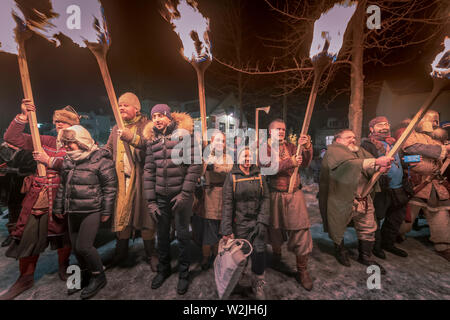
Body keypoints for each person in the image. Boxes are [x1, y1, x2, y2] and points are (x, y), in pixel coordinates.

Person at [0, 100, 79, 300]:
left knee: (64, 236)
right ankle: (25, 278)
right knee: (27, 237)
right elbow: (11, 137)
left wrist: (50, 161)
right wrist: (23, 116)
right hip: (39, 197)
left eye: (65, 122)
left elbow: (79, 166)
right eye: (57, 121)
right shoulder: (44, 140)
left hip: (63, 197)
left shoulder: (82, 143)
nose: (60, 124)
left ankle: (64, 266)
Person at [143, 104, 202, 295]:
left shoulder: (185, 136)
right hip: (161, 196)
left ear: (169, 117)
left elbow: (195, 166)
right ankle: (163, 269)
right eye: (154, 116)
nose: (157, 119)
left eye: (161, 115)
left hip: (181, 195)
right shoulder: (152, 141)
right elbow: (149, 171)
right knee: (162, 235)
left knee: (183, 235)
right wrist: (151, 201)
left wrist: (185, 194)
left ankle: (184, 274)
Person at [53, 125, 117, 299]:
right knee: (75, 248)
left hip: (92, 209)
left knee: (84, 246)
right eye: (64, 143)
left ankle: (99, 276)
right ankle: (84, 276)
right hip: (73, 209)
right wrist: (58, 207)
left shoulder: (101, 160)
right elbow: (62, 186)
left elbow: (110, 188)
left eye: (70, 143)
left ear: (81, 141)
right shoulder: (68, 160)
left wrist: (106, 211)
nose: (66, 147)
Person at [319, 129, 393, 274]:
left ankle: (366, 256)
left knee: (368, 227)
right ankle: (340, 251)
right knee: (338, 226)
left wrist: (380, 168)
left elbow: (369, 166)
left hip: (363, 198)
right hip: (341, 199)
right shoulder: (333, 152)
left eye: (354, 137)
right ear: (338, 140)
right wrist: (375, 161)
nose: (353, 140)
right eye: (348, 137)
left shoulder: (359, 151)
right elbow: (346, 166)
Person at [105, 92, 157, 271]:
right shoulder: (115, 128)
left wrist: (132, 138)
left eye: (126, 105)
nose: (121, 108)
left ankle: (151, 254)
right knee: (123, 218)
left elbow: (151, 147)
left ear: (137, 108)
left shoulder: (147, 125)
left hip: (142, 180)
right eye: (119, 105)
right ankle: (121, 254)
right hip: (122, 183)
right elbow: (108, 151)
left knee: (145, 218)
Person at [262, 119, 314, 291]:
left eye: (283, 129)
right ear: (270, 132)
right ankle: (277, 255)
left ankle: (302, 271)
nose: (282, 131)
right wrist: (289, 162)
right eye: (278, 129)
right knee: (275, 228)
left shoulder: (292, 147)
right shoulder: (264, 148)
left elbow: (305, 163)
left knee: (301, 229)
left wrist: (306, 148)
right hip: (274, 193)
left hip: (294, 194)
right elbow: (266, 168)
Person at [398, 111, 450, 261]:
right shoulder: (411, 134)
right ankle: (395, 234)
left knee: (440, 214)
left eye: (437, 121)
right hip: (417, 184)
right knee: (407, 218)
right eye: (433, 120)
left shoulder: (436, 140)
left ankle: (443, 245)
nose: (435, 124)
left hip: (436, 185)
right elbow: (411, 148)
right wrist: (443, 150)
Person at [221, 147, 270, 300]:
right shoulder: (232, 177)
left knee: (259, 253)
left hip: (257, 223)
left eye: (251, 156)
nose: (248, 160)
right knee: (240, 255)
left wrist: (262, 221)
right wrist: (226, 229)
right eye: (245, 156)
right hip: (240, 223)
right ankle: (235, 281)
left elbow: (265, 199)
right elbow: (227, 204)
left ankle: (257, 283)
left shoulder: (259, 175)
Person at [361, 116, 411, 259]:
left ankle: (388, 243)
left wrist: (409, 161)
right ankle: (376, 246)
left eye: (386, 124)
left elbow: (400, 161)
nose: (385, 127)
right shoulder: (367, 145)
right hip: (380, 188)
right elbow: (367, 165)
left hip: (399, 187)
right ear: (372, 129)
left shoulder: (396, 143)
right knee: (376, 218)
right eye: (380, 125)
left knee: (395, 218)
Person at [198, 130, 233, 270]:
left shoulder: (228, 157)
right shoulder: (205, 157)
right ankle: (206, 255)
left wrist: (214, 165)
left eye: (222, 141)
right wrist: (207, 161)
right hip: (209, 196)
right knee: (209, 226)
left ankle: (220, 254)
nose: (220, 143)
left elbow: (227, 170)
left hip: (224, 195)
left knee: (222, 226)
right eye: (216, 140)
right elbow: (199, 171)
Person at [0, 143, 36, 248]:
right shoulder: (8, 150)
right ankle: (13, 235)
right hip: (11, 186)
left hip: (24, 187)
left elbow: (31, 168)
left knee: (25, 211)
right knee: (13, 211)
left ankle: (24, 236)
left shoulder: (27, 151)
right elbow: (7, 162)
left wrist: (13, 170)